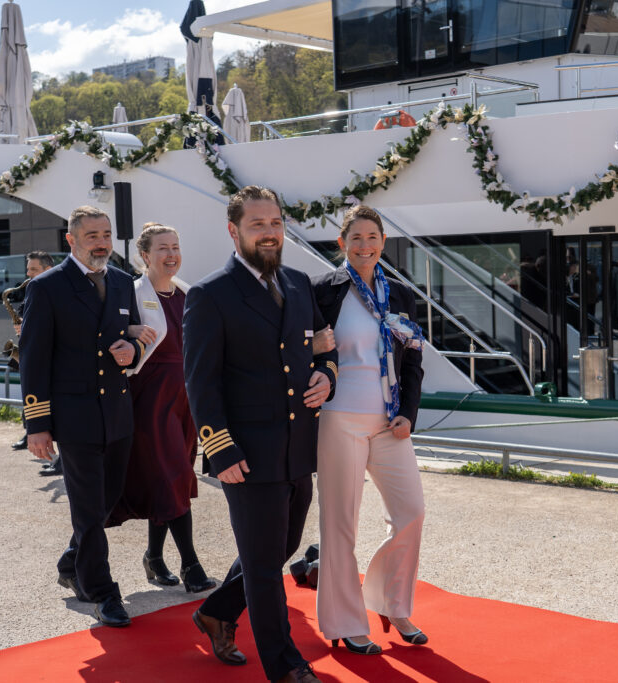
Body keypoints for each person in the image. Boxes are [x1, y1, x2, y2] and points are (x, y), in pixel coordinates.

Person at [183, 186, 338, 683]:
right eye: (258, 225)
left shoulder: (297, 283)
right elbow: (201, 381)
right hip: (246, 452)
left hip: (297, 447)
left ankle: (215, 613)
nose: (270, 233)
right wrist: (219, 449)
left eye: (275, 223)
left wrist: (327, 375)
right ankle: (285, 666)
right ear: (234, 231)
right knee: (266, 567)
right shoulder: (211, 294)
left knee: (280, 548)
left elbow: (324, 346)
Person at [20, 206, 147, 628]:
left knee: (107, 501)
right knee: (89, 509)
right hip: (75, 416)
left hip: (117, 411)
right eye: (92, 235)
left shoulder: (123, 282)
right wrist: (38, 425)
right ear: (71, 240)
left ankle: (71, 562)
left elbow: (134, 336)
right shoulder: (47, 287)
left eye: (106, 234)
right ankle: (102, 592)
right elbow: (34, 360)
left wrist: (134, 352)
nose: (102, 243)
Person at [310, 205, 427, 655]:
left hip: (389, 421)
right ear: (342, 243)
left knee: (411, 512)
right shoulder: (323, 290)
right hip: (339, 417)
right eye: (355, 238)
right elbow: (302, 349)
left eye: (372, 237)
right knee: (341, 525)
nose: (364, 246)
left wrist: (409, 413)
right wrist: (311, 348)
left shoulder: (400, 294)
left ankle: (391, 603)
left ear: (383, 242)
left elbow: (413, 360)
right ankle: (345, 621)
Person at [105, 223, 217, 594]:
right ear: (144, 256)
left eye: (175, 247)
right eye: (162, 248)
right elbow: (106, 333)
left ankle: (154, 557)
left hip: (185, 400)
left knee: (171, 479)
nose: (171, 255)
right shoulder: (131, 293)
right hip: (150, 400)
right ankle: (191, 566)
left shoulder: (189, 293)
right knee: (172, 476)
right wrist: (128, 332)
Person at [11, 251, 55, 461]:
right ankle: (29, 430)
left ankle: (58, 459)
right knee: (29, 395)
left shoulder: (56, 291)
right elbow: (22, 312)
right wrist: (21, 324)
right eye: (28, 269)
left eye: (33, 269)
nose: (28, 274)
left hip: (50, 360)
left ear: (48, 269)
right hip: (32, 354)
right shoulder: (32, 290)